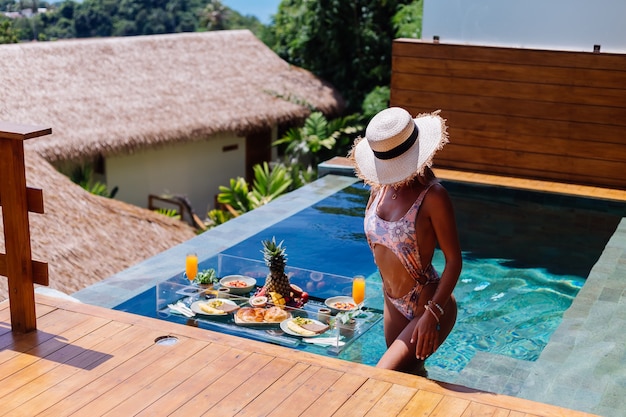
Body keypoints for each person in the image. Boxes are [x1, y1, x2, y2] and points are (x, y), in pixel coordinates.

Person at [349, 107, 461, 376]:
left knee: (382, 377)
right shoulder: (379, 189)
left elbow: (454, 260)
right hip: (392, 301)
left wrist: (432, 314)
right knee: (408, 378)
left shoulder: (433, 196)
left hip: (428, 302)